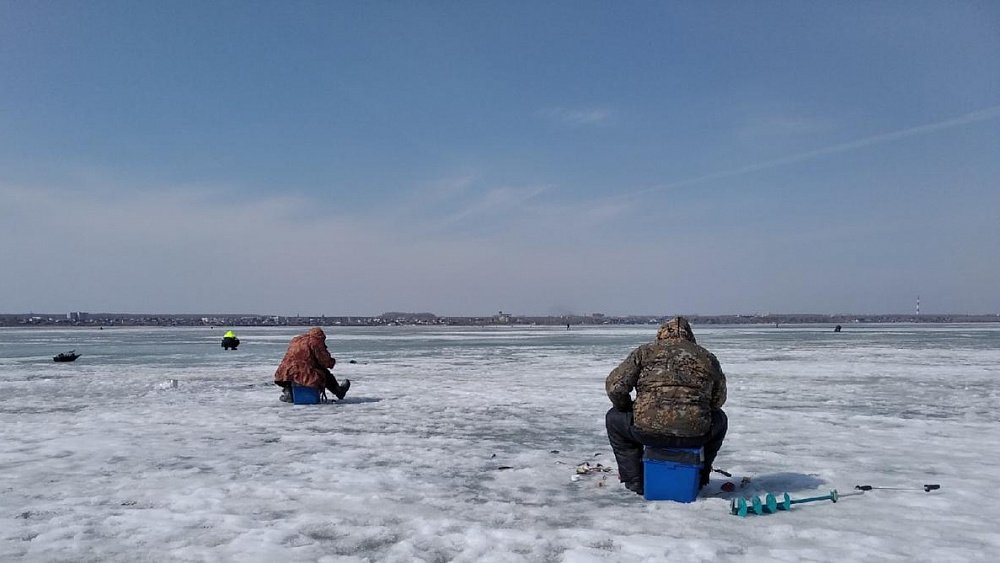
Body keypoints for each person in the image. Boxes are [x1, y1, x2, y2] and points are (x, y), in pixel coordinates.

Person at [605, 316, 727, 495]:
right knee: (720, 420)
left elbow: (615, 387)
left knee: (614, 418)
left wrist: (626, 407)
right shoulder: (706, 357)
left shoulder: (645, 352)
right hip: (694, 433)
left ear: (661, 334)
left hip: (647, 430)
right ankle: (700, 477)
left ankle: (635, 480)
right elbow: (718, 400)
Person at [273, 327, 350, 402]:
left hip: (285, 370)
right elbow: (324, 360)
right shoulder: (316, 341)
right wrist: (331, 362)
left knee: (291, 375)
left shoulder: (296, 340)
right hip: (305, 371)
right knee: (325, 374)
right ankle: (339, 391)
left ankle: (289, 393)